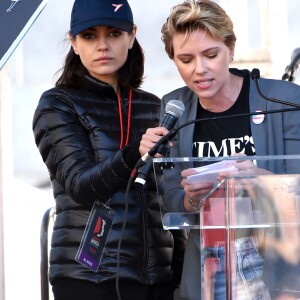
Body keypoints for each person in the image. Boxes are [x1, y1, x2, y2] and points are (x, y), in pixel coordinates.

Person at [139, 0, 300, 299]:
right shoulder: (175, 109)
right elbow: (170, 199)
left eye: (211, 55)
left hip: (281, 279)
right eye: (186, 59)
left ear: (231, 49)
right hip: (209, 279)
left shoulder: (285, 101)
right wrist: (190, 199)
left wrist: (261, 183)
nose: (200, 69)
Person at [32, 0, 186, 299]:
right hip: (88, 277)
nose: (103, 45)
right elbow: (80, 184)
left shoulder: (156, 105)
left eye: (114, 34)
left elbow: (168, 194)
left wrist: (177, 267)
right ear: (74, 42)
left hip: (157, 277)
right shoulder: (58, 104)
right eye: (90, 36)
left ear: (131, 36)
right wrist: (132, 154)